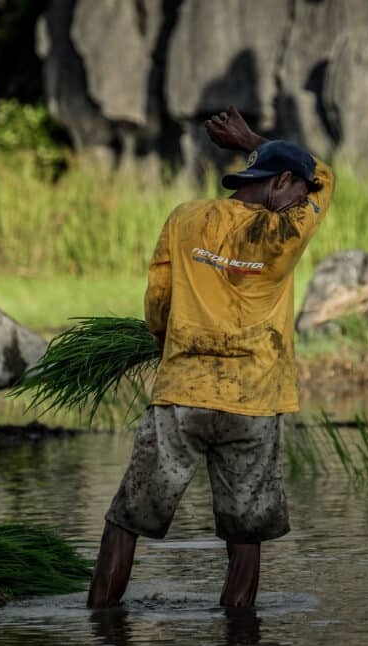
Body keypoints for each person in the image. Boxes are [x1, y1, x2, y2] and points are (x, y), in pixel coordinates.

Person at [87, 106, 336, 609]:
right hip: (254, 402)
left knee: (127, 519)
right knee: (245, 535)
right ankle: (240, 639)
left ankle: (100, 625)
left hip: (183, 394)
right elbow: (325, 177)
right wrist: (252, 139)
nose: (303, 199)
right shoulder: (286, 233)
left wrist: (166, 346)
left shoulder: (186, 218)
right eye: (298, 190)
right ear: (282, 181)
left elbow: (158, 298)